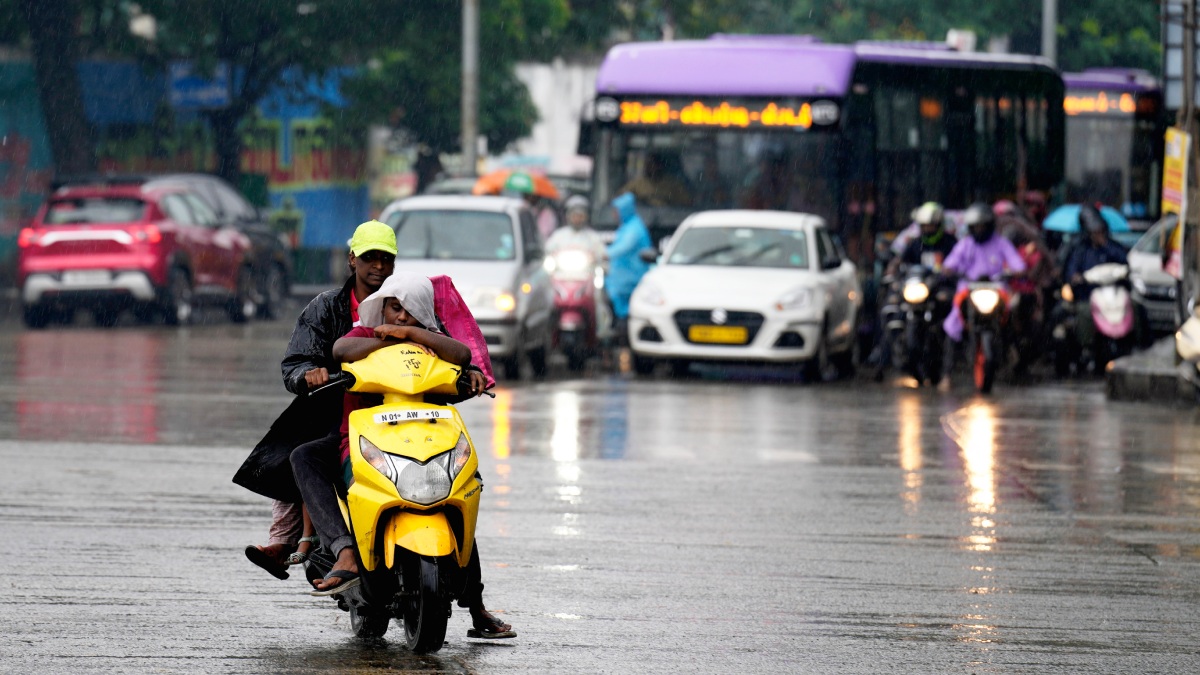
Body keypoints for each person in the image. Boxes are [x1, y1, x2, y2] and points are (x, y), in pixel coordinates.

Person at [293, 272, 515, 639]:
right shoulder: (366, 334)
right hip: (365, 443)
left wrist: (413, 334)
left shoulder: (434, 343)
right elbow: (340, 351)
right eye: (394, 307)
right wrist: (387, 339)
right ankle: (344, 550)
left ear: (424, 313)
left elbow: (462, 355)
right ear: (382, 307)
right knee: (304, 457)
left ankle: (476, 606)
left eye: (411, 311)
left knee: (462, 491)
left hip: (428, 445)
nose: (400, 317)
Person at [236, 220, 398, 580]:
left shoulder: (406, 302)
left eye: (386, 259)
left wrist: (469, 375)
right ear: (352, 259)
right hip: (336, 414)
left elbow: (445, 346)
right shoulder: (326, 308)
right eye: (370, 258)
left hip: (404, 415)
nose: (378, 266)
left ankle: (474, 598)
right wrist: (310, 373)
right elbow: (295, 364)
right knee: (297, 453)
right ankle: (305, 544)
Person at [939, 203, 1027, 388]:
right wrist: (948, 270)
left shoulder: (1001, 243)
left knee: (1012, 313)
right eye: (975, 226)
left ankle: (1014, 353)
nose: (979, 230)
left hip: (995, 289)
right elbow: (949, 264)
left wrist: (1015, 272)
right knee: (953, 323)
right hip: (968, 290)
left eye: (982, 226)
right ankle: (947, 373)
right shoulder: (965, 244)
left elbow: (1017, 264)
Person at [1062, 204, 1130, 355]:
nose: (1097, 234)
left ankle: (1137, 344)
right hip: (1089, 295)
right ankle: (1086, 347)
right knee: (1083, 312)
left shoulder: (1112, 247)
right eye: (1094, 231)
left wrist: (1105, 245)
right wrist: (1076, 278)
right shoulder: (1080, 250)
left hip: (1112, 294)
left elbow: (1124, 262)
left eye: (1099, 230)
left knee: (1134, 306)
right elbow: (1071, 271)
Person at [605, 192, 652, 348]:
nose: (614, 215)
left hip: (630, 280)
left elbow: (623, 247)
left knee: (626, 316)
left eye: (616, 211)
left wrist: (602, 253)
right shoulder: (626, 226)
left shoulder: (634, 228)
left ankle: (624, 344)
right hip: (621, 280)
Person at [618, 151, 691, 208]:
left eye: (651, 164)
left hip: (669, 217)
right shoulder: (637, 183)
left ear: (659, 166)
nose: (648, 167)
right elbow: (620, 197)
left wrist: (670, 201)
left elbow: (688, 202)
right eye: (647, 164)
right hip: (644, 216)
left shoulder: (672, 184)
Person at [546, 195, 607, 262]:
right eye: (574, 216)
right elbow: (548, 249)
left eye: (581, 216)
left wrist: (595, 256)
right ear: (568, 216)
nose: (577, 219)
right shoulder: (559, 235)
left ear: (586, 217)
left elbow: (602, 253)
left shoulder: (593, 236)